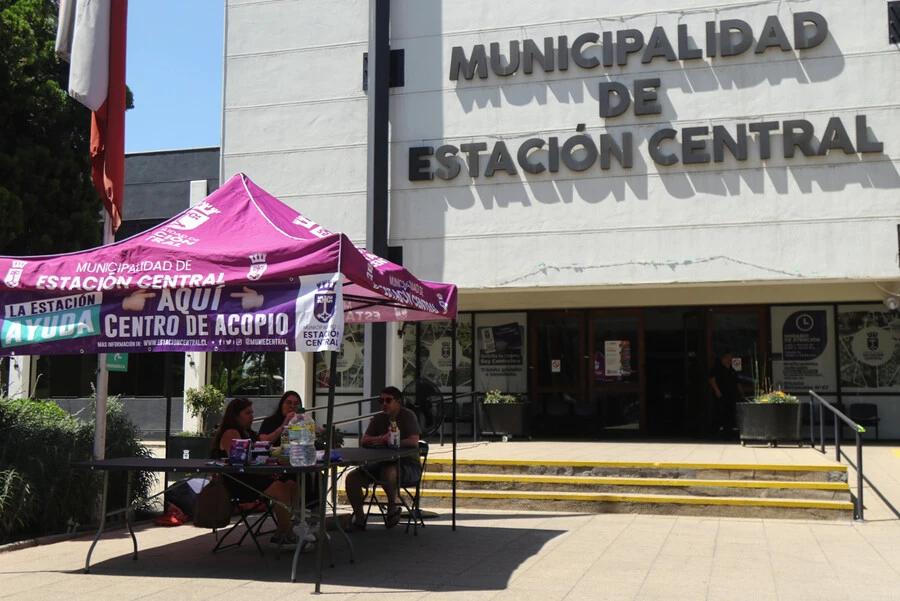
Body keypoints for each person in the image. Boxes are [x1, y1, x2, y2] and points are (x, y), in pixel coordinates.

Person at [211, 397, 301, 549]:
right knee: (281, 489)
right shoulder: (231, 433)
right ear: (235, 416)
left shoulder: (247, 431)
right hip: (237, 481)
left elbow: (264, 443)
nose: (252, 416)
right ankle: (287, 535)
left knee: (292, 485)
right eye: (247, 413)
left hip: (253, 476)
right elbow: (239, 461)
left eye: (252, 412)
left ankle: (281, 532)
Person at [344, 386, 422, 531]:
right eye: (381, 400)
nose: (384, 404)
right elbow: (364, 440)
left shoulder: (408, 416)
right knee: (351, 478)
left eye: (388, 400)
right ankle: (360, 519)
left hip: (408, 465)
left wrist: (392, 441)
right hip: (380, 463)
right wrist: (382, 438)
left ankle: (392, 508)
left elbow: (414, 441)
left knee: (389, 472)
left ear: (398, 402)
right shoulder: (378, 418)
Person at [709, 352, 744, 439]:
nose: (729, 360)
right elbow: (712, 380)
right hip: (721, 395)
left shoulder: (732, 370)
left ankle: (728, 433)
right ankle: (715, 433)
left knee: (730, 415)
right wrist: (717, 391)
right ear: (723, 359)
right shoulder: (717, 369)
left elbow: (737, 382)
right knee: (719, 413)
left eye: (730, 359)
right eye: (728, 358)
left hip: (731, 396)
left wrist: (742, 393)